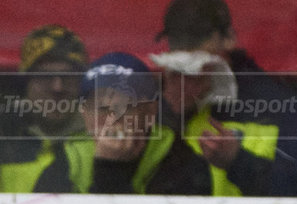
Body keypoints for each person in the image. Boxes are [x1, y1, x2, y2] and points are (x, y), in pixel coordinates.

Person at [147, 0, 297, 196]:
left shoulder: (275, 103)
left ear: (229, 39)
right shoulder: (160, 100)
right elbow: (143, 183)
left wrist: (237, 160)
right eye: (179, 40)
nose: (189, 50)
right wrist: (171, 116)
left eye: (199, 38)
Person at [0, 25, 94, 193]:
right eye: (45, 77)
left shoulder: (102, 141)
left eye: (68, 77)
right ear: (26, 83)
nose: (57, 87)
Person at [83, 52, 215, 195]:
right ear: (84, 113)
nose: (112, 119)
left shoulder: (183, 161)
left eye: (126, 107)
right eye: (101, 108)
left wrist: (111, 169)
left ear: (150, 111)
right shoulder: (69, 155)